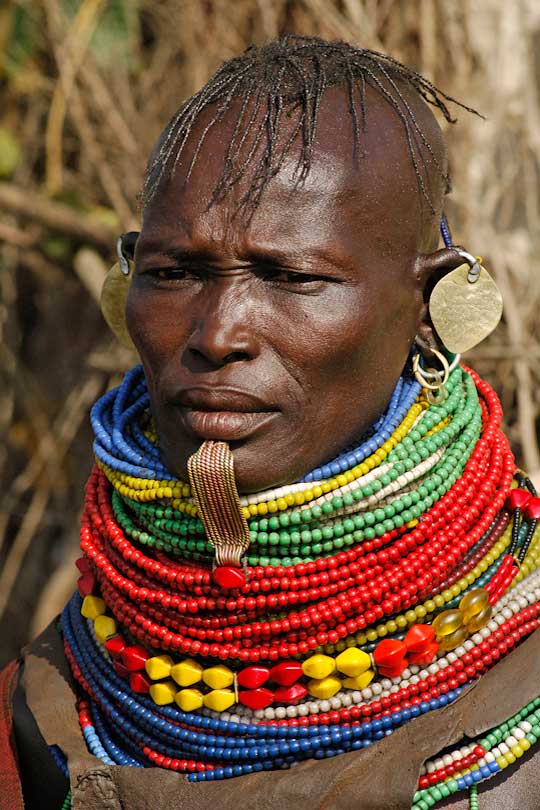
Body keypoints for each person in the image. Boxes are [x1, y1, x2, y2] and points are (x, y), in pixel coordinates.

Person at [2, 35, 540, 810]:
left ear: (428, 310)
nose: (219, 333)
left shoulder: (518, 683)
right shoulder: (46, 703)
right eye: (172, 273)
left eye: (293, 277)